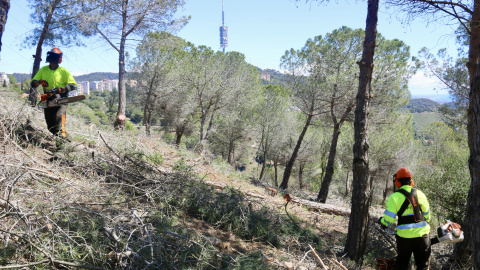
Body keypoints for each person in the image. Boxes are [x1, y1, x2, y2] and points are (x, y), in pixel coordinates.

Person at [377, 168, 432, 270]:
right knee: (422, 266)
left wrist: (381, 221)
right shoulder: (420, 194)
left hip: (405, 238)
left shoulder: (395, 197)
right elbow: (428, 215)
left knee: (402, 264)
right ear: (411, 181)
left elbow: (388, 220)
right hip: (423, 236)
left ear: (397, 182)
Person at [30, 48, 77, 149]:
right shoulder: (43, 70)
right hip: (48, 99)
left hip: (62, 100)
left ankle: (61, 149)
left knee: (58, 123)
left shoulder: (63, 71)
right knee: (51, 127)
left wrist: (61, 89)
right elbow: (33, 83)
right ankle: (68, 139)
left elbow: (73, 86)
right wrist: (40, 82)